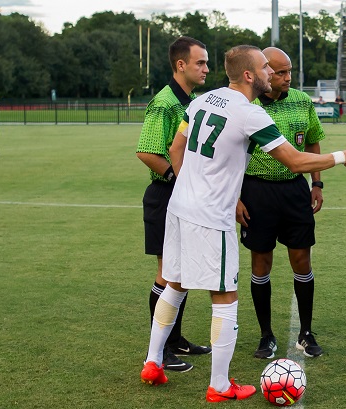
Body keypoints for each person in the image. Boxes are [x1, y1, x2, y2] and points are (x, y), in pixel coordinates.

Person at [139, 44, 346, 402]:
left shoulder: (202, 100)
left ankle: (152, 361)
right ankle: (219, 385)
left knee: (175, 281)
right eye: (264, 68)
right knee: (225, 297)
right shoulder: (250, 114)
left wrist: (191, 184)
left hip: (180, 207)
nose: (269, 73)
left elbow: (175, 148)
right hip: (212, 215)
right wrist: (343, 155)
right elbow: (294, 161)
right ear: (249, 75)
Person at [236, 47, 326, 360]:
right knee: (261, 263)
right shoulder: (247, 105)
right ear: (264, 72)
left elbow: (313, 140)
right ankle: (266, 335)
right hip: (256, 192)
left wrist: (316, 183)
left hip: (295, 191)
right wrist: (236, 197)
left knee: (302, 260)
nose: (288, 78)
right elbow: (230, 154)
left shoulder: (302, 100)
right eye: (281, 72)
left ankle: (306, 332)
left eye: (290, 71)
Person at [136, 36, 211, 373]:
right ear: (181, 65)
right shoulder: (165, 102)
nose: (206, 68)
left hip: (185, 197)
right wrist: (176, 177)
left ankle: (176, 339)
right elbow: (147, 150)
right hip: (166, 196)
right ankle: (161, 349)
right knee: (167, 274)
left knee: (181, 273)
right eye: (200, 63)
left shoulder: (191, 101)